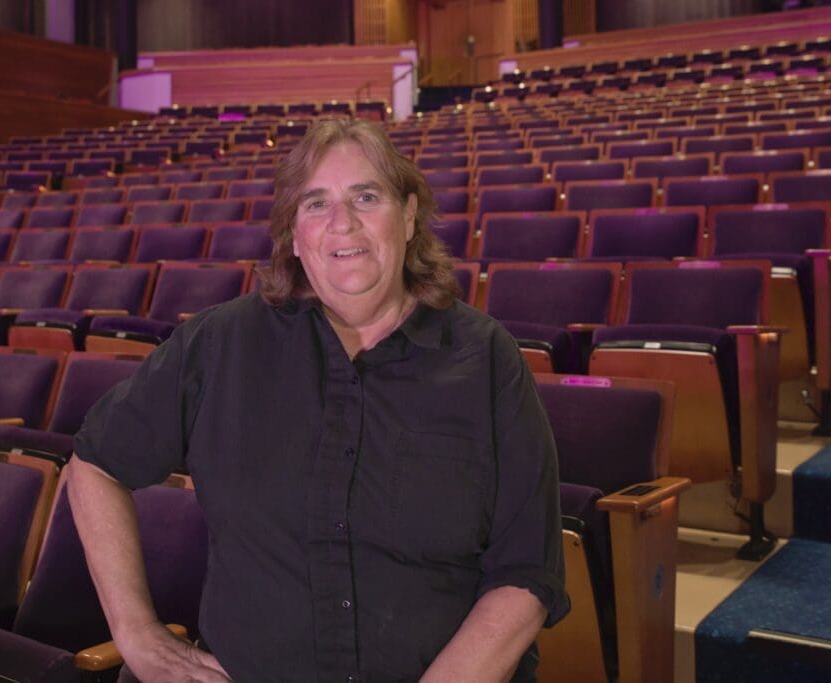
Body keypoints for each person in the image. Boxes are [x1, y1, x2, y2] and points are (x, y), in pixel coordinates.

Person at [69, 118, 568, 682]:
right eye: (315, 203)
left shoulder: (487, 360)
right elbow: (94, 464)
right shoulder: (219, 344)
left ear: (408, 217)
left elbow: (526, 571)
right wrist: (135, 633)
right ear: (293, 236)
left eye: (366, 196)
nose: (342, 223)